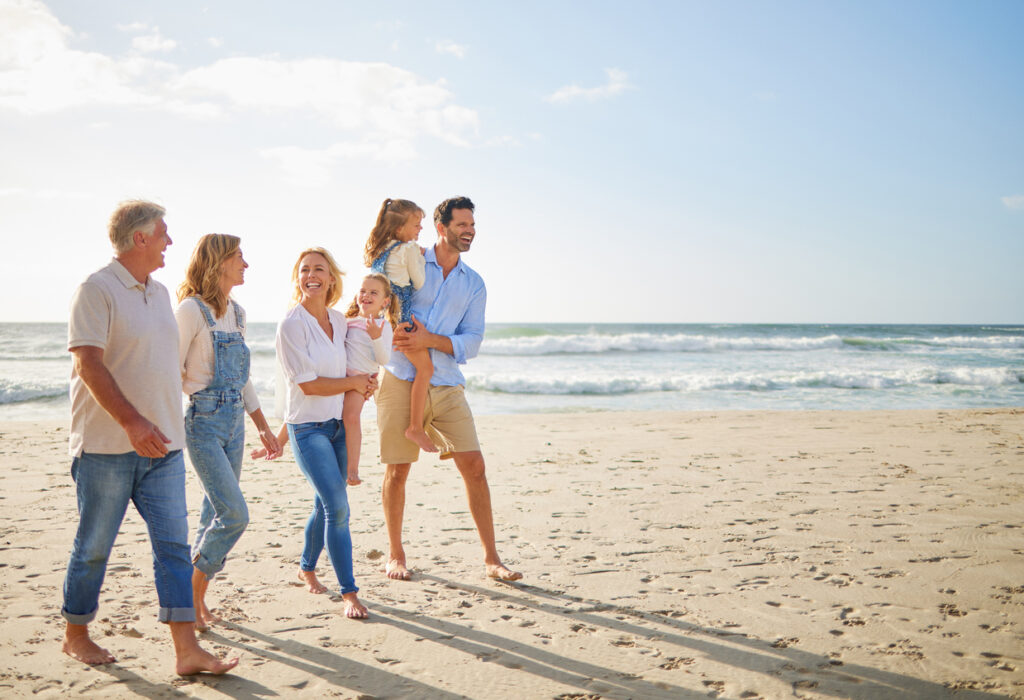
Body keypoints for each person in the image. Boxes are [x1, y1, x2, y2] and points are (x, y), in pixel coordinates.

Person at [62, 200, 237, 675]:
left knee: (174, 549)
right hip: (106, 449)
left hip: (166, 448)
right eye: (163, 233)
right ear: (140, 238)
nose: (169, 242)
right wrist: (133, 423)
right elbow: (88, 364)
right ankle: (76, 632)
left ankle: (186, 651)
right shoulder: (95, 290)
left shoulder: (160, 294)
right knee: (95, 544)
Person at [377, 196, 522, 582]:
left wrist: (429, 339)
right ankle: (395, 554)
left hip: (446, 384)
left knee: (474, 466)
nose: (469, 231)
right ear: (441, 228)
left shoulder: (474, 284)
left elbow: (471, 342)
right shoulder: (408, 260)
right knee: (398, 470)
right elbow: (377, 301)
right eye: (461, 225)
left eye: (472, 225)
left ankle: (492, 559)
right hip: (399, 379)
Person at [175, 234, 282, 631]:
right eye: (239, 256)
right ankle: (190, 589)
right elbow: (171, 370)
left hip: (235, 420)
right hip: (202, 423)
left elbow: (242, 379)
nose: (245, 264)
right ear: (218, 262)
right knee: (234, 514)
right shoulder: (189, 310)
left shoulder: (237, 313)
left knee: (212, 512)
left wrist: (263, 427)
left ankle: (196, 601)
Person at [275, 247, 377, 618]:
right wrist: (354, 381)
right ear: (297, 277)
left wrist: (367, 382)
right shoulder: (291, 325)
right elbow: (309, 386)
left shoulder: (338, 320)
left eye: (320, 269)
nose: (311, 275)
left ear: (332, 278)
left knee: (324, 503)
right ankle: (349, 593)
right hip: (307, 431)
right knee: (338, 506)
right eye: (304, 270)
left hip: (338, 428)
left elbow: (360, 362)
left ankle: (306, 566)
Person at [364, 199, 437, 454]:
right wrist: (418, 258)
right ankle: (415, 427)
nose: (419, 230)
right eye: (416, 225)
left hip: (384, 322)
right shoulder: (407, 249)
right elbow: (418, 283)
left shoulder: (381, 251)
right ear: (399, 227)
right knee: (426, 369)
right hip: (402, 321)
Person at [341, 273, 397, 485]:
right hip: (340, 377)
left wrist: (375, 337)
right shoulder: (348, 321)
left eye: (373, 292)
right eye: (363, 291)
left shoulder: (384, 326)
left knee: (351, 418)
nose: (366, 295)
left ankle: (353, 469)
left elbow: (384, 359)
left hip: (360, 380)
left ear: (385, 302)